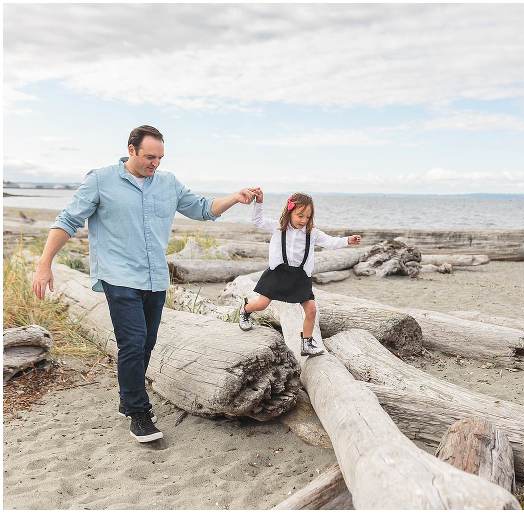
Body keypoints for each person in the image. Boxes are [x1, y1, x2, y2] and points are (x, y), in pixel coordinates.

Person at [31, 125, 258, 443]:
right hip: (117, 274)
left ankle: (130, 397)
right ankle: (138, 412)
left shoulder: (168, 183)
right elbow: (67, 220)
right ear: (131, 149)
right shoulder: (101, 179)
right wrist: (45, 265)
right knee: (133, 342)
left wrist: (235, 197)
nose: (155, 163)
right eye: (150, 157)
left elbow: (203, 209)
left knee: (146, 343)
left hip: (154, 277)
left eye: (160, 158)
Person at [238, 189, 361, 356]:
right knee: (262, 304)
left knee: (311, 310)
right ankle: (245, 310)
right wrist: (258, 202)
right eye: (300, 215)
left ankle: (307, 343)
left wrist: (347, 240)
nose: (304, 220)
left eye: (308, 217)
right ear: (290, 212)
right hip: (278, 272)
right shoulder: (278, 228)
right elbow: (257, 220)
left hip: (300, 276)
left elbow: (330, 242)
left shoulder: (313, 233)